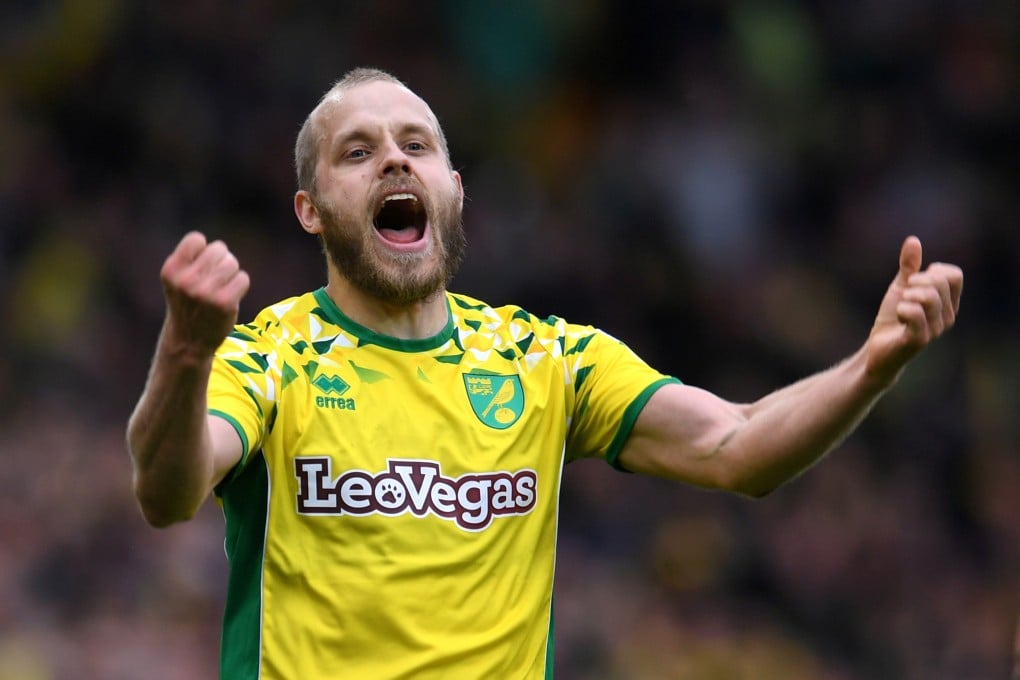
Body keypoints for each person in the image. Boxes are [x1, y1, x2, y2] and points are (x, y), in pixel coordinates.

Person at [126, 67, 964, 679]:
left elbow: (736, 445)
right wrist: (185, 353)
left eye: (415, 145)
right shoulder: (275, 355)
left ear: (452, 189)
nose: (393, 161)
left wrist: (870, 366)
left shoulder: (547, 359)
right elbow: (168, 493)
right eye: (357, 152)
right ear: (310, 208)